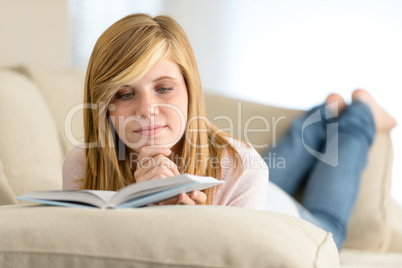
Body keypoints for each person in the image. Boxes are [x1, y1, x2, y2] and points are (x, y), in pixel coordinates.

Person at [62, 13, 268, 209]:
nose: (146, 110)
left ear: (190, 89)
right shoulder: (81, 164)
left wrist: (193, 225)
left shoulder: (244, 169)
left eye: (163, 89)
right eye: (124, 94)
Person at [263, 90, 397, 249]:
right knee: (258, 181)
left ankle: (359, 114)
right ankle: (331, 112)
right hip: (249, 199)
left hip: (256, 210)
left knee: (327, 227)